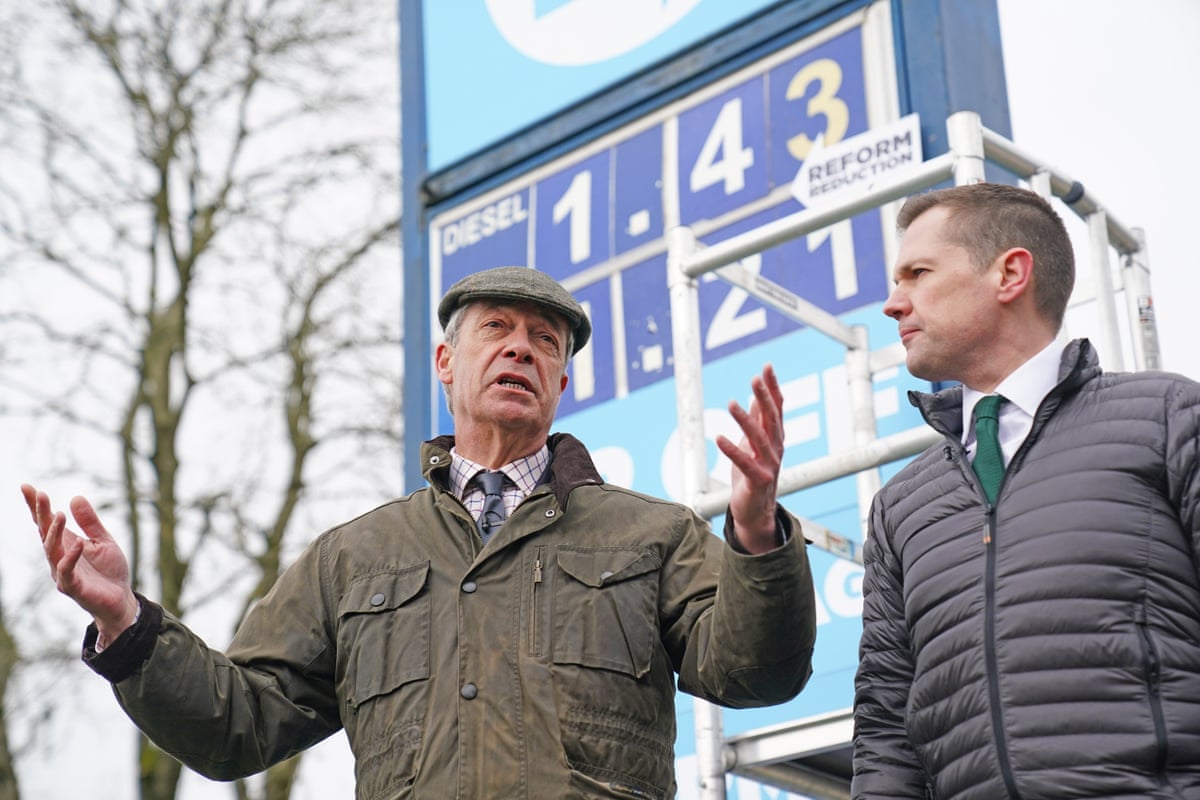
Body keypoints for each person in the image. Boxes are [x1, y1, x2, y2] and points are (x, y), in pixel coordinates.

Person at [24, 265, 817, 799]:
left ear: (562, 383)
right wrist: (126, 624)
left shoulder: (650, 536)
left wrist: (755, 534)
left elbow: (758, 671)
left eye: (545, 342)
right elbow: (238, 723)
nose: (521, 348)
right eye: (497, 330)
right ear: (445, 361)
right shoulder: (353, 559)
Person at [852, 182, 1200, 799]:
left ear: (1010, 273)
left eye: (918, 273)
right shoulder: (900, 506)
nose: (892, 303)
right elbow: (886, 730)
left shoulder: (1168, 417)